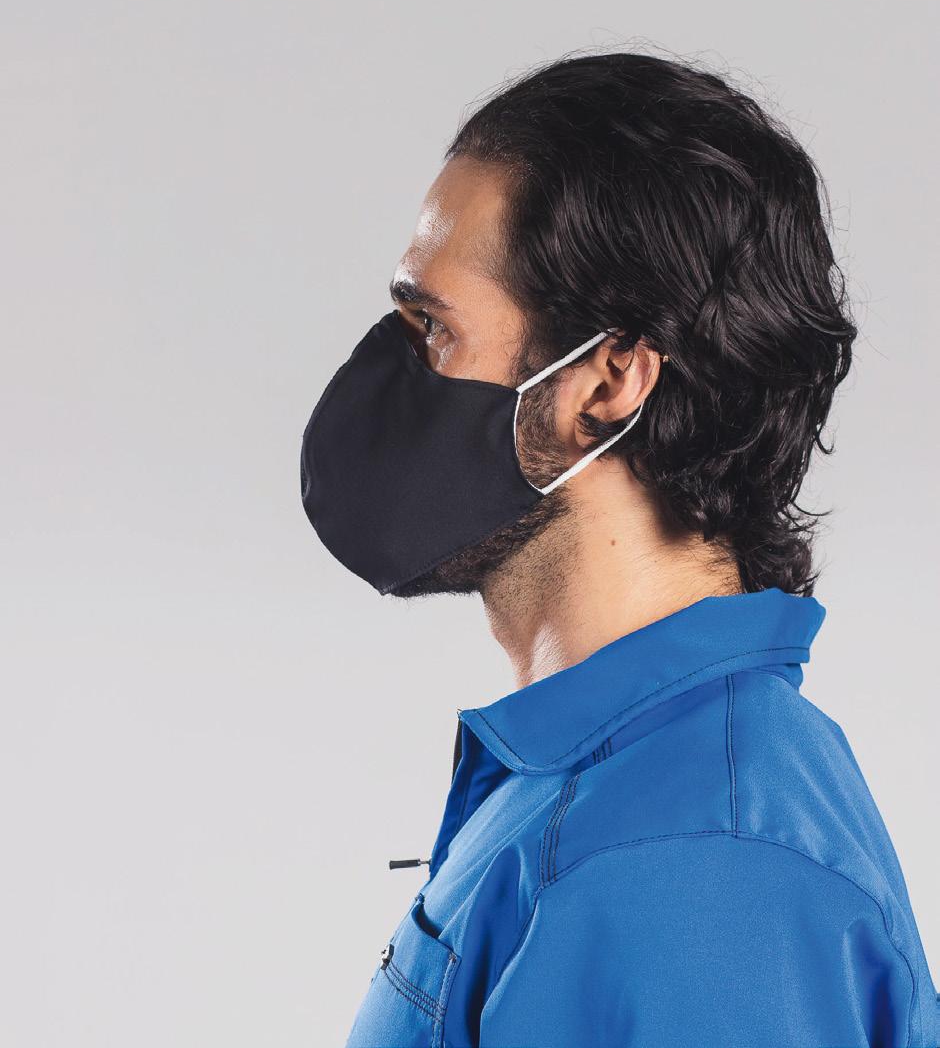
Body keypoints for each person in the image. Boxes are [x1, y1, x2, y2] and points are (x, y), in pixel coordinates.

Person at [300, 52, 940, 1048]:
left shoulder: (693, 865)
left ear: (606, 382)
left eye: (431, 326)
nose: (392, 367)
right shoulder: (604, 783)